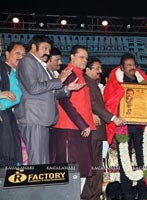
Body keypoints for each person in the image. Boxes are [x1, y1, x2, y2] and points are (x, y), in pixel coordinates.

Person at [14, 35, 83, 165]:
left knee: (42, 163)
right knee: (35, 163)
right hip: (33, 118)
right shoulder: (27, 61)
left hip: (42, 120)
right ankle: (33, 187)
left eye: (48, 49)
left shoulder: (41, 65)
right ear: (34, 47)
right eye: (44, 48)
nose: (47, 52)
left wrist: (67, 89)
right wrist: (59, 80)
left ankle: (39, 186)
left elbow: (50, 92)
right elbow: (33, 88)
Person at [104, 53, 147, 200]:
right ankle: (127, 194)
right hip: (123, 126)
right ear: (122, 67)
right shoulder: (116, 83)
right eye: (129, 65)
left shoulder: (142, 82)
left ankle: (144, 192)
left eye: (133, 65)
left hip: (140, 127)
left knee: (142, 160)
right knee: (123, 161)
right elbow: (109, 100)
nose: (132, 68)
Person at [51, 45, 95, 193]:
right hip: (69, 128)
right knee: (70, 171)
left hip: (79, 128)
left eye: (86, 58)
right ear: (72, 57)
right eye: (81, 57)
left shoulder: (79, 74)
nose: (84, 61)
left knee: (80, 170)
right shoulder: (69, 73)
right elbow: (64, 101)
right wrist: (82, 125)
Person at [81, 57, 125, 200]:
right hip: (93, 132)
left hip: (98, 132)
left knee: (96, 167)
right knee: (92, 167)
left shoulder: (92, 83)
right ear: (87, 69)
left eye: (100, 68)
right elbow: (93, 104)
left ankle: (94, 195)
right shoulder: (86, 83)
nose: (100, 71)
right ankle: (89, 196)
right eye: (97, 68)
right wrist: (113, 118)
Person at [0, 42, 26, 167]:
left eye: (23, 54)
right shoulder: (3, 68)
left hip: (8, 116)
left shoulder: (13, 72)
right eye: (17, 53)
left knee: (11, 154)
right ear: (7, 54)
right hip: (3, 115)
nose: (21, 57)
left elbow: (15, 96)